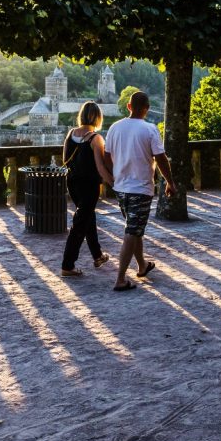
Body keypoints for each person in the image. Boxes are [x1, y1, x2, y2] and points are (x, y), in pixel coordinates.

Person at [103, 91, 176, 292]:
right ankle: (120, 279)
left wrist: (116, 173)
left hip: (121, 188)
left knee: (135, 229)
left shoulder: (114, 128)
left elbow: (107, 157)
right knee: (131, 231)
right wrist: (170, 182)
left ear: (128, 106)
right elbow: (161, 158)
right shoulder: (149, 129)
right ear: (147, 109)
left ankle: (142, 265)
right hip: (140, 188)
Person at [59, 102, 115, 277]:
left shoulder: (70, 134)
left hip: (73, 182)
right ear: (98, 117)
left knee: (87, 217)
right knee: (80, 223)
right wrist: (114, 183)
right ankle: (67, 265)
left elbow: (65, 159)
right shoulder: (95, 138)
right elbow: (100, 167)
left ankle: (97, 255)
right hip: (89, 185)